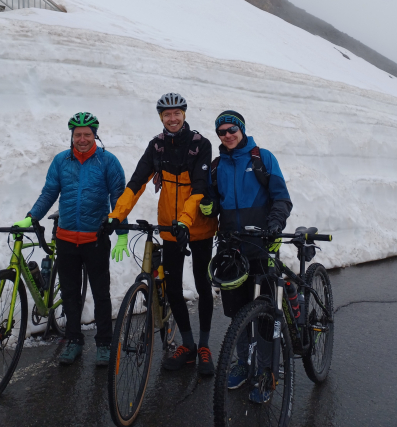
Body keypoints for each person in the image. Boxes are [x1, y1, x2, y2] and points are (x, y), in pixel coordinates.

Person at [109, 93, 217, 375]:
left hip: (199, 228)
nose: (172, 118)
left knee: (203, 286)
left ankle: (205, 346)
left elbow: (200, 188)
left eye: (176, 113)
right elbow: (136, 182)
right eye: (166, 114)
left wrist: (184, 221)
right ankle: (189, 345)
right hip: (170, 228)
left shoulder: (200, 145)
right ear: (161, 117)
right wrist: (117, 214)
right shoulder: (156, 146)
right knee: (172, 288)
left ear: (184, 113)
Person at [13, 112, 128, 366]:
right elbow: (49, 193)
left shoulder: (108, 162)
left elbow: (119, 199)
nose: (82, 139)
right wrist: (32, 216)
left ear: (94, 134)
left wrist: (121, 234)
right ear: (72, 136)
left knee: (101, 293)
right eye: (78, 135)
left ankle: (105, 344)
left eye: (87, 134)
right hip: (66, 239)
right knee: (69, 293)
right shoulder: (61, 161)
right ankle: (73, 340)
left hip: (95, 239)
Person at [201, 110, 292, 402]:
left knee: (264, 312)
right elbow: (216, 199)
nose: (227, 135)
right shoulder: (217, 166)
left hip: (262, 245)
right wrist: (208, 205)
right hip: (231, 248)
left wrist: (275, 225)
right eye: (222, 131)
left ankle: (266, 371)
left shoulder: (262, 158)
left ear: (241, 129)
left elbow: (281, 197)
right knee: (238, 313)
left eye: (232, 129)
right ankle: (243, 364)